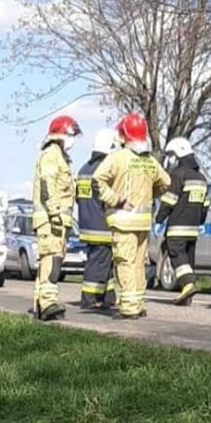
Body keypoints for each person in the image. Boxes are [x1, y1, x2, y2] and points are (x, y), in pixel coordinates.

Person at [94, 112, 171, 319]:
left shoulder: (117, 158)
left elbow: (97, 181)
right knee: (138, 264)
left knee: (125, 263)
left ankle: (128, 307)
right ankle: (137, 303)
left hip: (123, 220)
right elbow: (166, 183)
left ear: (123, 135)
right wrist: (149, 196)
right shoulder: (150, 162)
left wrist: (116, 199)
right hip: (143, 223)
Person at [31, 114, 82, 321]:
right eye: (71, 135)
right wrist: (54, 213)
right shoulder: (51, 155)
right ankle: (48, 302)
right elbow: (47, 185)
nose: (73, 140)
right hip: (51, 220)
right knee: (52, 261)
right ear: (60, 135)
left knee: (49, 261)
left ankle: (41, 304)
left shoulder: (61, 157)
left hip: (59, 220)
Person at [155, 137, 209, 306]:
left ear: (178, 153)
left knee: (176, 254)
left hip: (178, 226)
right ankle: (187, 296)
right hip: (193, 228)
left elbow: (169, 200)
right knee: (188, 258)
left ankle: (187, 283)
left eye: (172, 155)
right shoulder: (201, 177)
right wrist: (200, 222)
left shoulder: (178, 174)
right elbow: (205, 205)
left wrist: (159, 219)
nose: (171, 158)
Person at [76, 128, 120, 310]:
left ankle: (108, 297)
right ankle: (89, 298)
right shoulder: (105, 169)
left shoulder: (83, 169)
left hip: (87, 224)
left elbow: (79, 199)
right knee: (98, 263)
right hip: (102, 226)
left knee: (104, 264)